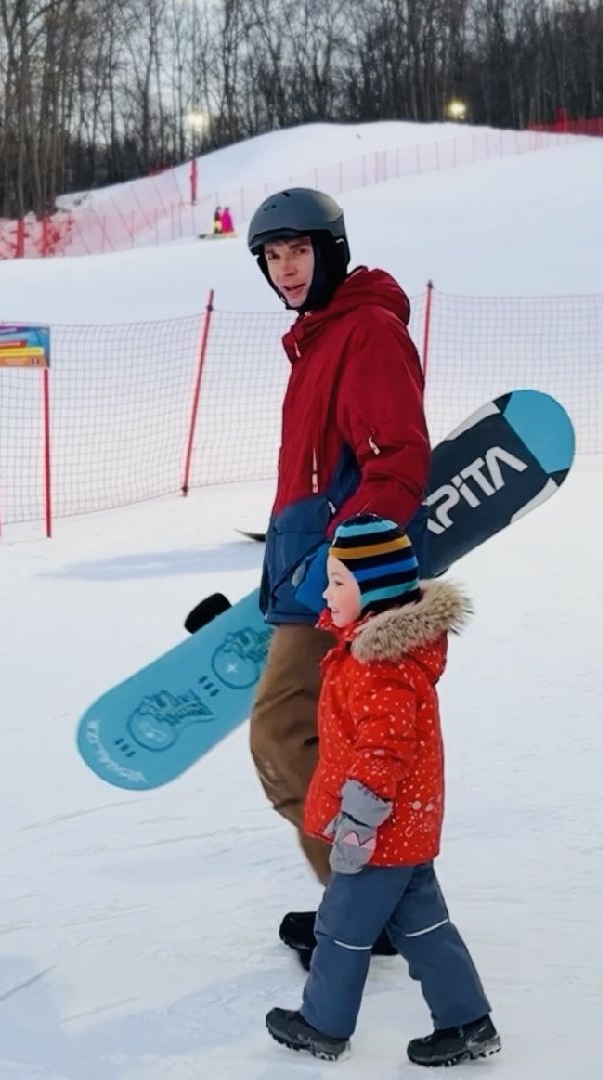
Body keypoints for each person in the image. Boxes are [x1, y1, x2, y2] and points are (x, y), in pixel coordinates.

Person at [245, 188, 431, 957]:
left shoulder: (365, 334)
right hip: (309, 574)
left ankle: (369, 912)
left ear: (333, 250)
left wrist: (347, 568)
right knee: (321, 744)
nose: (286, 270)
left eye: (299, 251)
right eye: (272, 256)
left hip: (341, 586)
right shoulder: (321, 337)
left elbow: (397, 464)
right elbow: (317, 479)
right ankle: (373, 907)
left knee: (285, 735)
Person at [265, 516, 499, 1067]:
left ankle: (322, 1025)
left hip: (379, 833)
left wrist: (359, 823)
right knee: (425, 928)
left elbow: (383, 752)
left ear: (375, 591)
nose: (327, 592)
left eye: (338, 581)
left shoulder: (378, 667)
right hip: (408, 829)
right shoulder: (374, 651)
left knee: (340, 931)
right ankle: (467, 1022)